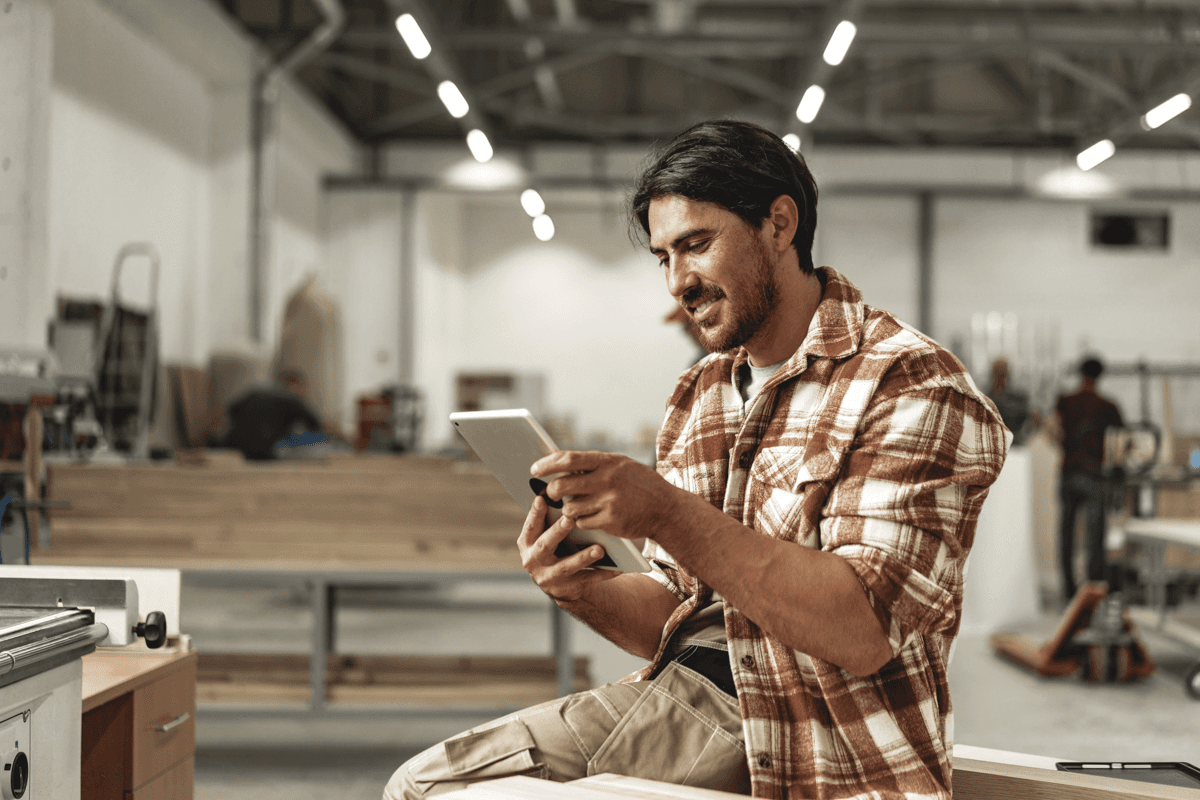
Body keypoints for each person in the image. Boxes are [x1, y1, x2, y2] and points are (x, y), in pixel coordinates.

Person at [384, 121, 1009, 800]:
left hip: (825, 748)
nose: (677, 282)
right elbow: (672, 617)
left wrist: (666, 511)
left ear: (778, 224)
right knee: (424, 787)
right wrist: (578, 588)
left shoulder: (911, 383)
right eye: (663, 257)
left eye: (696, 245)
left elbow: (862, 632)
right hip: (686, 703)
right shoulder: (703, 392)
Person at [1051, 357, 1123, 603]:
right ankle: (1091, 596)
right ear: (1100, 376)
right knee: (1095, 540)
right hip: (1094, 476)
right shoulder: (1108, 406)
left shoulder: (1065, 401)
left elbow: (1053, 431)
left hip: (1069, 474)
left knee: (1066, 537)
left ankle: (1068, 594)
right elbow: (1121, 444)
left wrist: (1066, 447)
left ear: (1080, 374)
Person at [987, 356, 1034, 446]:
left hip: (1015, 446)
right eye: (999, 373)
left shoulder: (1019, 399)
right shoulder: (983, 399)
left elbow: (1029, 422)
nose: (1001, 377)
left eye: (1003, 374)